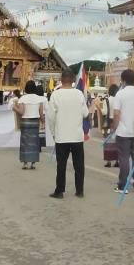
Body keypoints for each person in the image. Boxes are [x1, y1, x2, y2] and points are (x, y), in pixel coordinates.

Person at [47, 70, 87, 199]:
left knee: (61, 165)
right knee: (79, 165)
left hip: (61, 135)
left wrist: (53, 132)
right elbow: (85, 113)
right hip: (76, 135)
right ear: (73, 80)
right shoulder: (79, 94)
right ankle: (79, 190)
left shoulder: (56, 94)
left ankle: (59, 191)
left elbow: (51, 117)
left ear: (61, 79)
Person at [109, 69, 134, 193]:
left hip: (123, 132)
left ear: (123, 81)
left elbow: (116, 114)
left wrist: (114, 128)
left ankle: (122, 185)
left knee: (124, 159)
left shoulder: (120, 94)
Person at [14, 81, 47, 170]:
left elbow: (21, 112)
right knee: (34, 142)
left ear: (26, 88)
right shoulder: (39, 99)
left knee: (24, 142)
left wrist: (14, 108)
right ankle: (33, 163)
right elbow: (41, 113)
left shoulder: (22, 99)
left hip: (25, 122)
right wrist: (43, 122)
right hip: (35, 122)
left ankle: (25, 163)